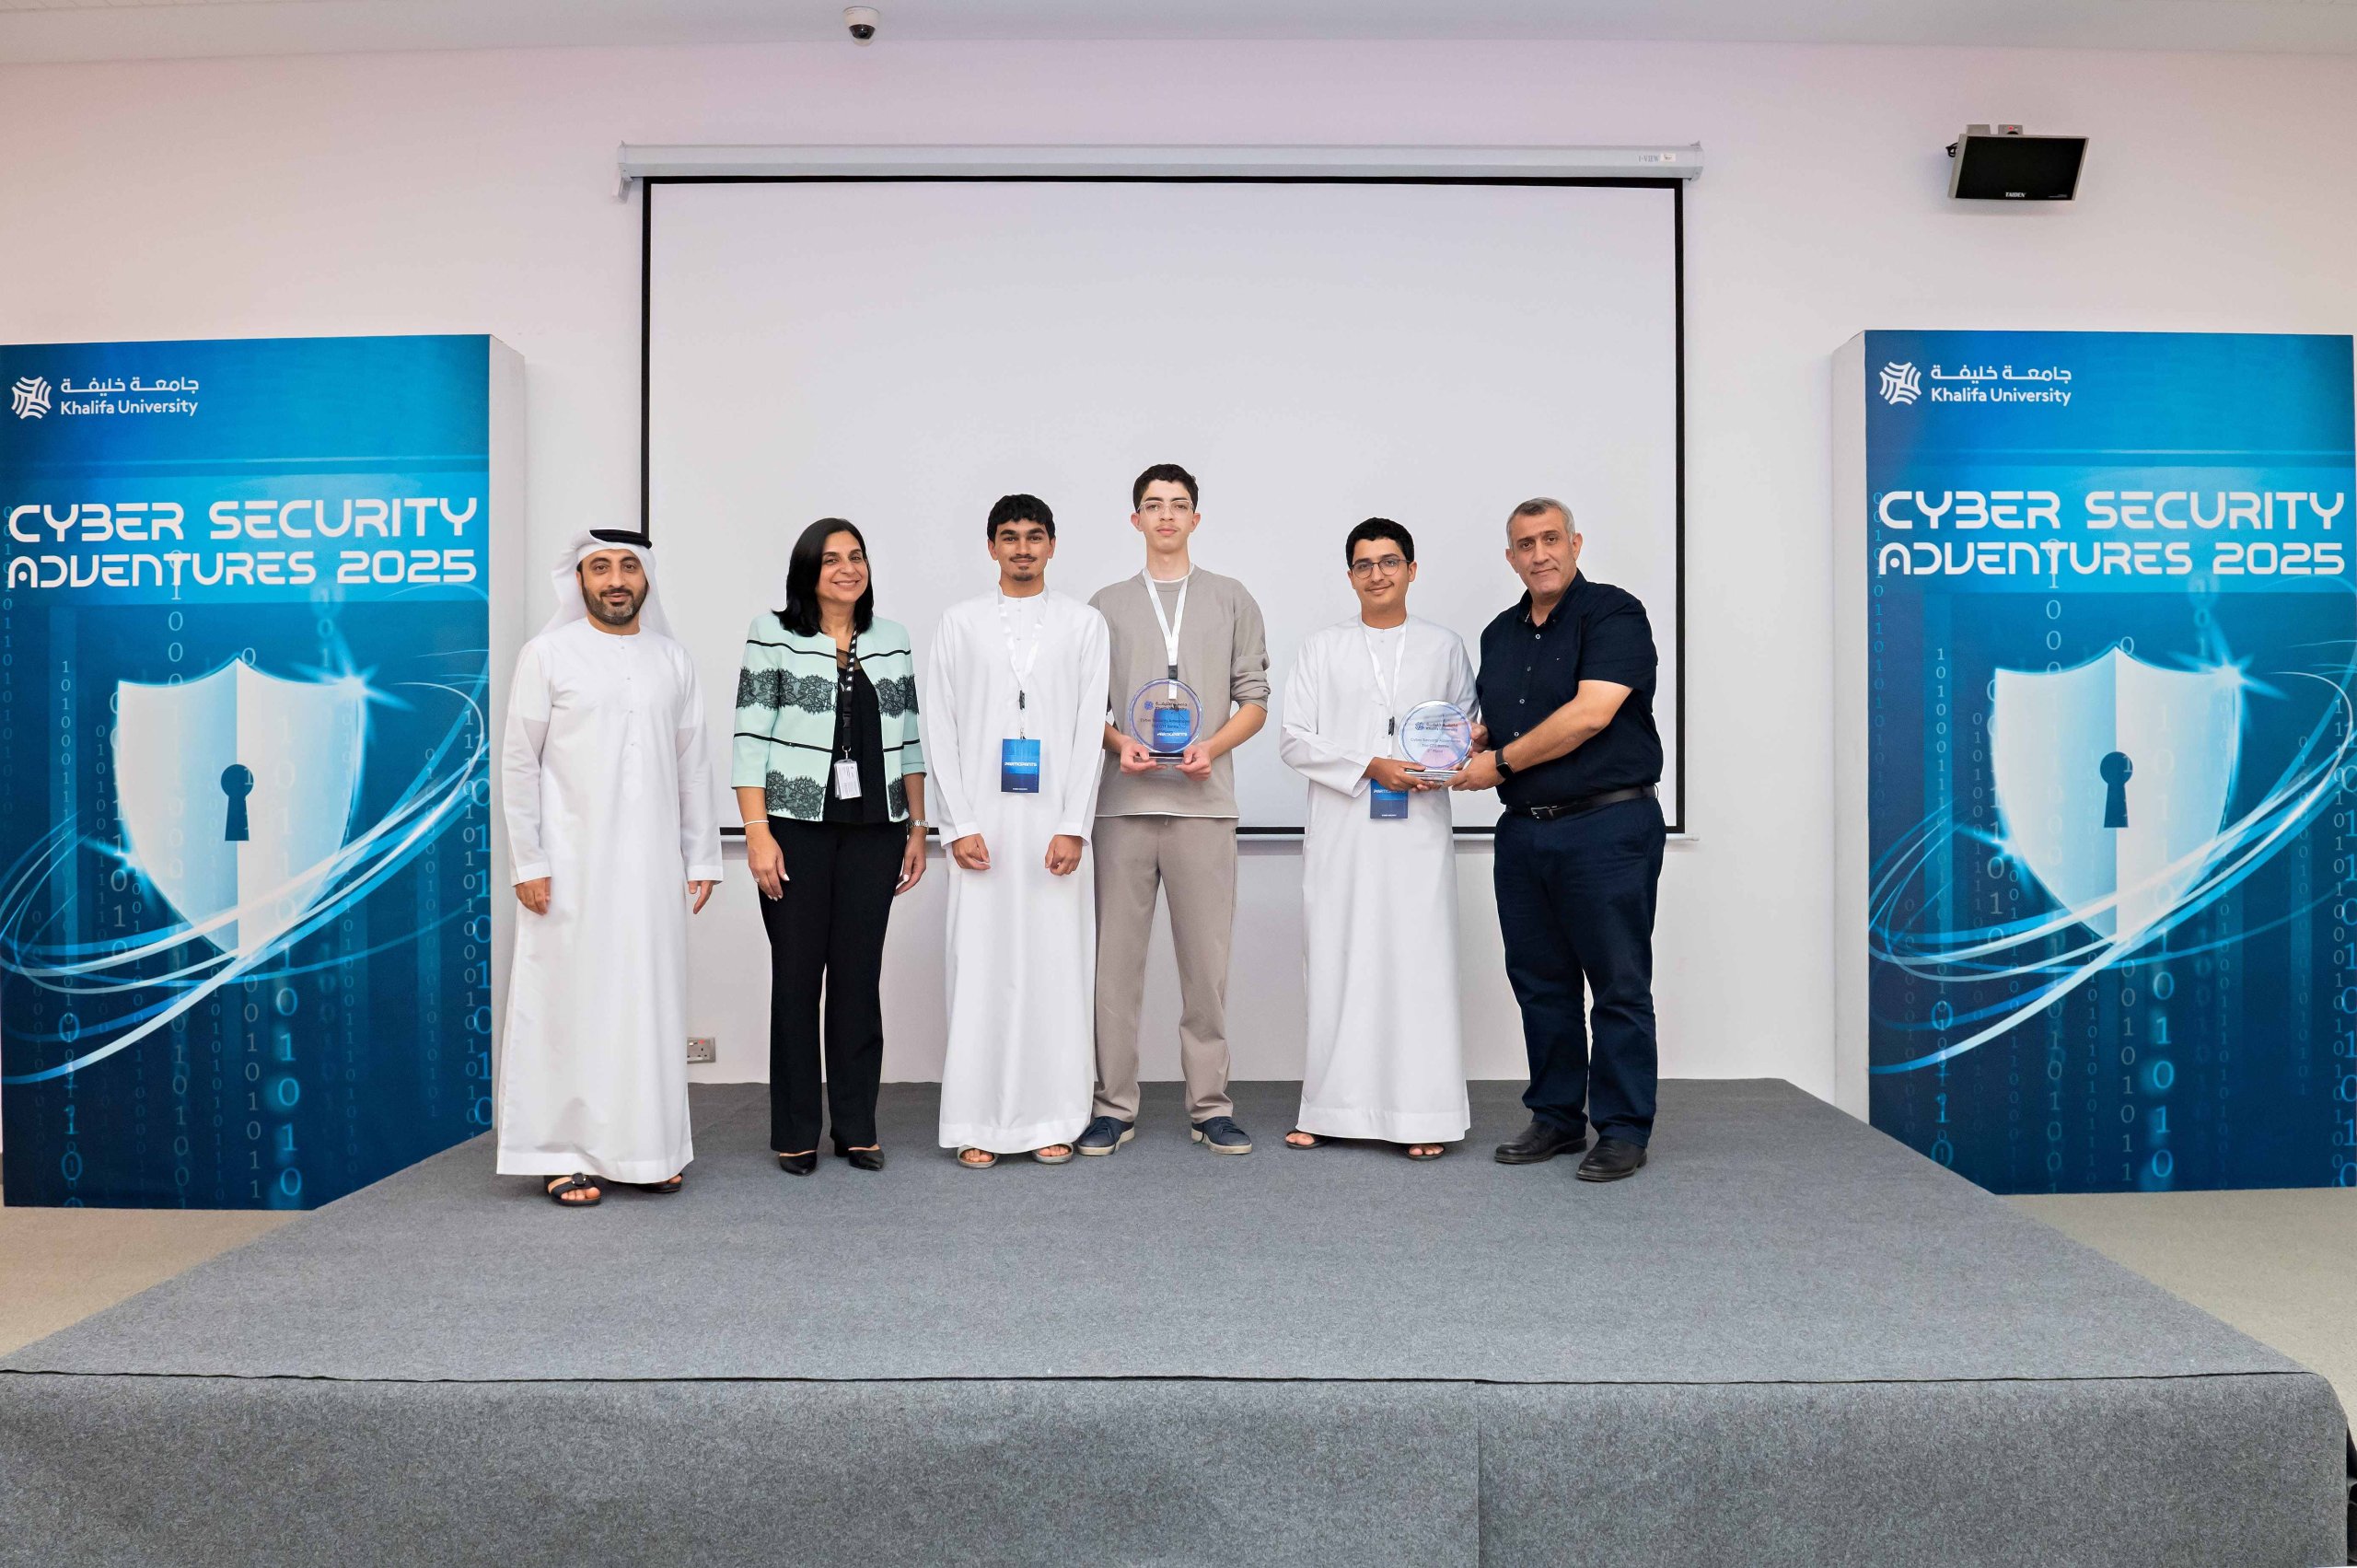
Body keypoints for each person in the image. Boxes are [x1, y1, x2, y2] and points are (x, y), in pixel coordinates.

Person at [495, 529, 724, 1207]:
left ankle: (646, 1150)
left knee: (644, 1003)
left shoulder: (672, 660)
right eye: (601, 567)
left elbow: (693, 763)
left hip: (651, 867)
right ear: (580, 580)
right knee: (566, 1004)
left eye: (628, 567)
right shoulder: (546, 655)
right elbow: (518, 762)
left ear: (646, 578)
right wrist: (528, 860)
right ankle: (560, 1152)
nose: (616, 579)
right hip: (567, 867)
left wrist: (702, 854)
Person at [1451, 497, 1666, 1182]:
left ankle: (1624, 1128)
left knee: (1618, 983)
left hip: (1607, 825)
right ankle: (1556, 1116)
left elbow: (1589, 714)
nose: (1539, 553)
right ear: (1510, 557)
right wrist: (1478, 738)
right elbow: (1508, 720)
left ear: (1575, 543)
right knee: (1540, 982)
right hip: (1525, 832)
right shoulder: (1499, 633)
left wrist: (1501, 762)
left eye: (1550, 539)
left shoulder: (1614, 613)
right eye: (1525, 544)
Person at [1076, 463, 1269, 1157]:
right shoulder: (1103, 605)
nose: (1166, 515)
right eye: (1153, 505)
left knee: (1205, 969)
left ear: (1195, 518)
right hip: (1123, 807)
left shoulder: (1231, 598)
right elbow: (1084, 706)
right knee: (1115, 968)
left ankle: (1210, 1106)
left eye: (1178, 504)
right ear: (1135, 520)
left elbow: (1255, 699)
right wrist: (1118, 743)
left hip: (1203, 807)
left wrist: (1210, 747)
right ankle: (1112, 1106)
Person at [732, 518, 929, 1177]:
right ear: (808, 572)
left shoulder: (892, 638)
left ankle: (856, 1126)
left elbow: (909, 740)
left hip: (876, 830)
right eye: (832, 560)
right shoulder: (772, 633)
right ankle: (795, 1130)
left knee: (858, 979)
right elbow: (749, 737)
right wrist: (757, 833)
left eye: (857, 556)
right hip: (794, 828)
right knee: (796, 978)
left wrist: (918, 827)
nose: (848, 569)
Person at [921, 494, 1111, 1168]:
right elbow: (939, 725)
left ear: (1052, 545)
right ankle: (978, 1121)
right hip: (983, 831)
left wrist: (1073, 825)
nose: (1022, 548)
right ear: (991, 546)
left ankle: (1054, 1117)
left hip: (1055, 832)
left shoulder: (1085, 624)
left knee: (1056, 970)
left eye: (1034, 536)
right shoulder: (960, 622)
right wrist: (958, 822)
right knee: (981, 969)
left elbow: (1089, 730)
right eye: (1010, 537)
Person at [1278, 520, 1476, 1160]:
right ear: (1350, 577)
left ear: (1412, 570)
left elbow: (1467, 730)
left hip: (1418, 830)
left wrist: (1444, 760)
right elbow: (1294, 738)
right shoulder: (1322, 648)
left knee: (1418, 966)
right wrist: (1371, 765)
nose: (1377, 574)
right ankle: (1330, 1109)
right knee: (1340, 959)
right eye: (1364, 565)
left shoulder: (1444, 646)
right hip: (1344, 832)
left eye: (1390, 562)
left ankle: (1422, 1115)